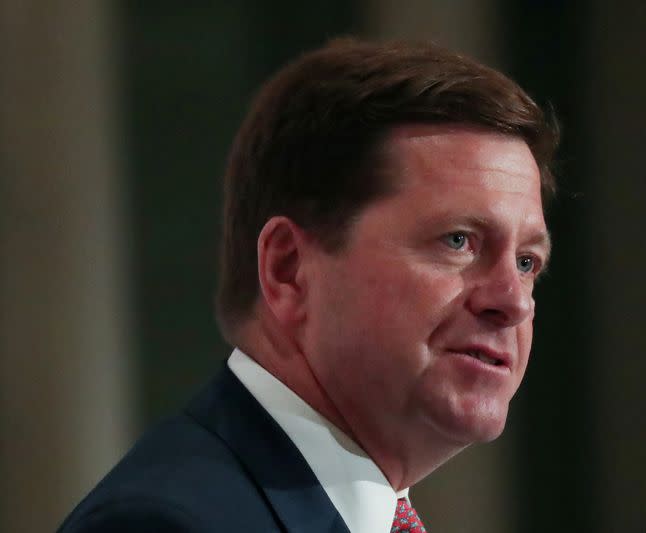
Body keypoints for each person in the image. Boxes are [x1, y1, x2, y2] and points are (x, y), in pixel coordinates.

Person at [58, 37, 558, 533]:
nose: (511, 301)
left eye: (526, 262)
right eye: (458, 241)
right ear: (289, 268)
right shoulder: (168, 524)